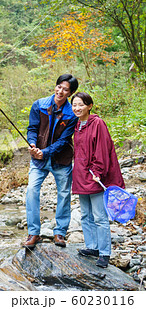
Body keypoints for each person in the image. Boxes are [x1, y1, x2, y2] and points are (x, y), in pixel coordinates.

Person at [22, 74, 79, 249]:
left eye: (65, 89)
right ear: (55, 86)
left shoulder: (72, 114)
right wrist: (32, 144)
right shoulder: (39, 105)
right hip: (38, 160)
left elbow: (63, 141)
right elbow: (32, 129)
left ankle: (60, 232)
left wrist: (44, 152)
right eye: (59, 87)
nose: (60, 91)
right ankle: (34, 233)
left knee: (63, 194)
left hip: (61, 160)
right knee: (32, 191)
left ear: (71, 93)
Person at [71, 92, 125, 268]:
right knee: (85, 214)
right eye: (74, 105)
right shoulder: (78, 125)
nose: (77, 108)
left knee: (100, 217)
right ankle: (92, 246)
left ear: (89, 106)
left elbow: (102, 150)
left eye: (80, 105)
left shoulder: (98, 124)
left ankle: (104, 252)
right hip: (80, 175)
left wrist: (97, 171)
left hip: (94, 176)